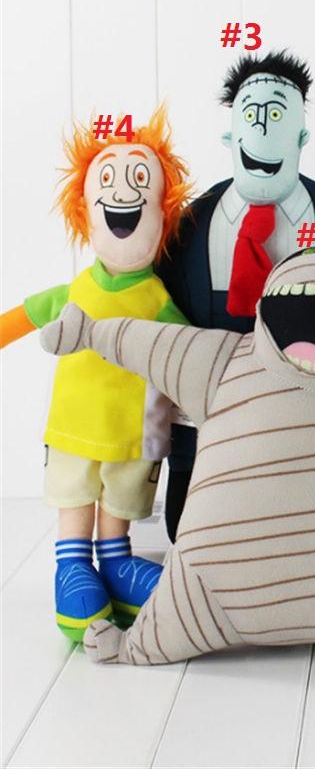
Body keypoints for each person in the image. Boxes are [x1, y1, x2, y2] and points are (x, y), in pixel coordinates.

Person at [156, 50, 315, 541]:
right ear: (230, 136)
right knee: (190, 535)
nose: (263, 127)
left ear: (301, 137)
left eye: (277, 114)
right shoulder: (188, 227)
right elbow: (148, 315)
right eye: (252, 114)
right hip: (209, 437)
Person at [0, 107, 191, 639]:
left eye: (140, 182)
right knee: (75, 492)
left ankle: (116, 561)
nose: (123, 194)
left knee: (121, 498)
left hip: (136, 432)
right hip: (74, 427)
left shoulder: (157, 298)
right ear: (84, 208)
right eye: (106, 181)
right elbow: (22, 316)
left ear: (162, 211)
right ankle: (72, 564)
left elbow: (189, 348)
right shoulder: (76, 291)